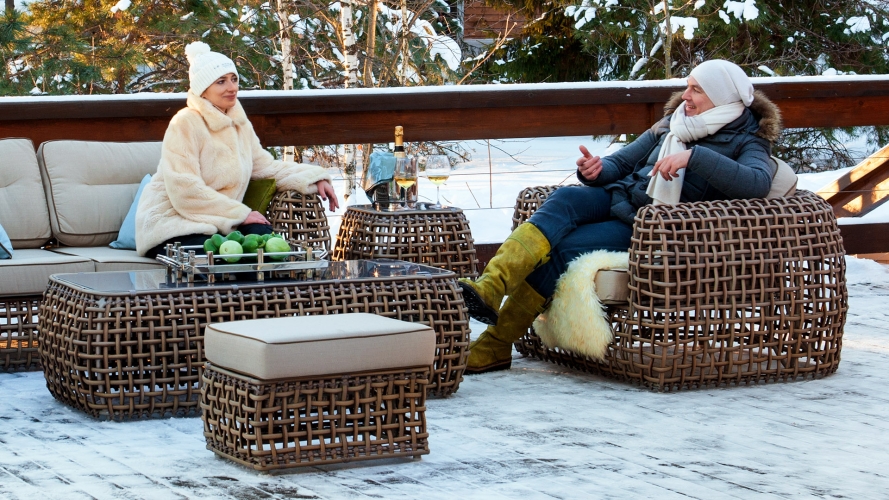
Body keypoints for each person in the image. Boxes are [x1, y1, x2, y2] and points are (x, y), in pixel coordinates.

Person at [459, 59, 783, 374]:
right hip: (622, 194)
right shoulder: (673, 122)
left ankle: (496, 344)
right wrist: (597, 170)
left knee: (565, 249)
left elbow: (756, 183)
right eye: (688, 86)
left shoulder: (748, 139)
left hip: (652, 226)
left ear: (722, 96)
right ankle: (490, 286)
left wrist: (694, 157)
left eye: (696, 90)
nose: (686, 95)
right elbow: (623, 163)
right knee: (566, 197)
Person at [136, 41, 339, 258]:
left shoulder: (238, 123)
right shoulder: (185, 123)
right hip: (174, 223)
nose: (232, 87)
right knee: (221, 258)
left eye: (234, 79)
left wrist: (315, 178)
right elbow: (185, 190)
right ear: (203, 89)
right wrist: (240, 214)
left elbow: (265, 167)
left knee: (267, 243)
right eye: (221, 82)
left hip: (222, 222)